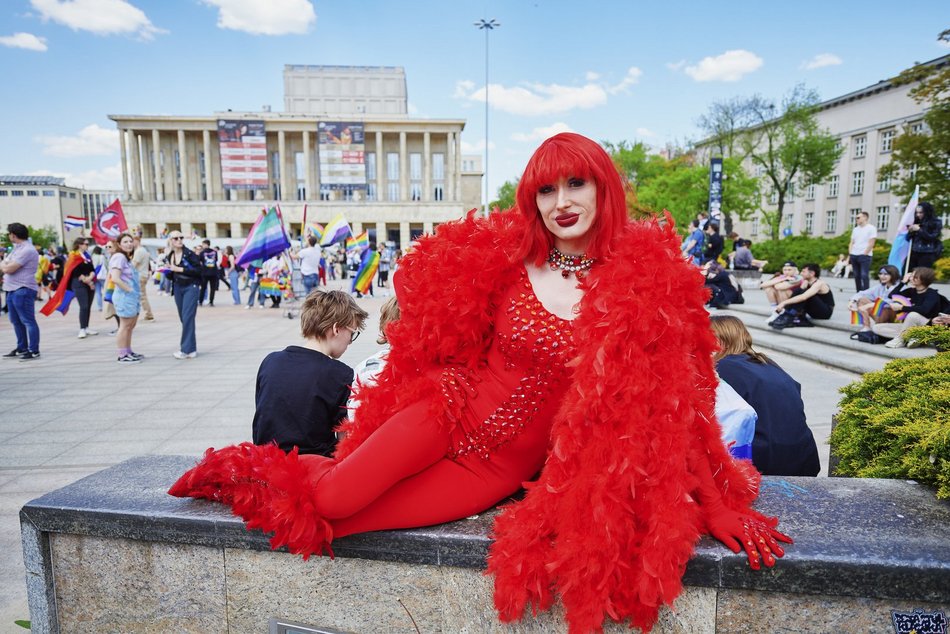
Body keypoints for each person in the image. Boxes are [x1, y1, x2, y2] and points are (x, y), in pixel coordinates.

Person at [169, 132, 790, 633]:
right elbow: (420, 293)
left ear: (605, 189)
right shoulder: (511, 256)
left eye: (577, 183)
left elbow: (683, 407)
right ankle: (249, 468)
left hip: (494, 473)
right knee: (331, 500)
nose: (561, 200)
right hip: (443, 412)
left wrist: (716, 504)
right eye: (545, 188)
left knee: (342, 522)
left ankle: (273, 472)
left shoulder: (648, 285)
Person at [253, 290, 368, 457]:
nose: (350, 341)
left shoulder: (270, 361)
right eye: (352, 333)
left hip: (265, 464)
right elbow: (345, 441)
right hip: (312, 469)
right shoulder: (339, 374)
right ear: (336, 329)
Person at [710, 316, 820, 477]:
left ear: (719, 342)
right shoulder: (766, 362)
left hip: (766, 462)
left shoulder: (722, 368)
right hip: (804, 456)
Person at [874, 267, 945, 348]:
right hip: (911, 326)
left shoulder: (932, 294)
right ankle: (914, 337)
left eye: (914, 276)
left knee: (913, 315)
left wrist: (901, 307)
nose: (910, 278)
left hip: (927, 326)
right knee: (877, 328)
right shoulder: (912, 291)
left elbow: (924, 310)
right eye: (911, 276)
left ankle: (901, 339)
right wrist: (903, 282)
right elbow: (892, 296)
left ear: (923, 279)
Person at [1, 223, 41, 360]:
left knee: (28, 320)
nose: (8, 236)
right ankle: (22, 347)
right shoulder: (16, 249)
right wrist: (5, 263)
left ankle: (33, 349)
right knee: (15, 321)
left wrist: (4, 264)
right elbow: (5, 264)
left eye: (9, 233)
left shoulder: (27, 250)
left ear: (13, 234)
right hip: (11, 289)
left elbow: (7, 268)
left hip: (23, 289)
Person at [164, 231, 202, 359]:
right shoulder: (170, 255)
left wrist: (180, 269)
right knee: (184, 318)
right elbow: (170, 275)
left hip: (191, 286)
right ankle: (191, 348)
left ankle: (186, 349)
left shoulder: (189, 254)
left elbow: (199, 271)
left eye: (181, 237)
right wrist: (167, 270)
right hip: (178, 287)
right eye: (176, 238)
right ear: (170, 240)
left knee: (187, 317)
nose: (179, 240)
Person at [109, 233, 142, 363]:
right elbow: (115, 278)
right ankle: (122, 354)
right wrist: (129, 290)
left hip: (131, 296)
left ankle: (128, 351)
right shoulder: (119, 257)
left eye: (130, 241)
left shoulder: (125, 258)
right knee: (124, 326)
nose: (129, 244)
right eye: (125, 242)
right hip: (124, 296)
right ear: (119, 244)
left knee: (130, 325)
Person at [770, 263, 835, 329]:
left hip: (825, 313)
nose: (801, 273)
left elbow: (804, 297)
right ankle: (788, 315)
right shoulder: (806, 282)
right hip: (814, 310)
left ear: (812, 273)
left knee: (805, 294)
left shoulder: (819, 283)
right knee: (799, 290)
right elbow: (797, 294)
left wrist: (784, 303)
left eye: (803, 271)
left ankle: (790, 316)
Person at [847, 265, 903, 332]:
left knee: (882, 306)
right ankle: (866, 326)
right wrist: (852, 301)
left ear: (893, 275)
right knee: (862, 300)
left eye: (885, 274)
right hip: (881, 313)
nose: (882, 276)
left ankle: (879, 327)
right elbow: (862, 293)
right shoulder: (881, 286)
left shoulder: (900, 286)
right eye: (880, 274)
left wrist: (871, 304)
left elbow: (893, 303)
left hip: (895, 316)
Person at [67, 238, 98, 338]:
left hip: (89, 282)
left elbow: (92, 269)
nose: (87, 246)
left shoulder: (87, 256)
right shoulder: (73, 255)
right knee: (83, 306)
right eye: (85, 244)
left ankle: (86, 327)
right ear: (79, 245)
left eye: (87, 244)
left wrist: (90, 278)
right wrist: (88, 281)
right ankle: (82, 329)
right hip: (79, 283)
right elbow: (75, 272)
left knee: (88, 306)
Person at [906, 201, 944, 271]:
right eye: (917, 212)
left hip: (927, 253)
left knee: (922, 275)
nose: (918, 215)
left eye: (921, 212)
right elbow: (908, 239)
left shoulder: (936, 222)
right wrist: (910, 232)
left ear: (927, 212)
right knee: (907, 273)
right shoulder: (915, 221)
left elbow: (932, 237)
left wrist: (919, 230)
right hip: (914, 252)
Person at [848, 211, 876, 292]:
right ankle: (858, 291)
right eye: (856, 218)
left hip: (865, 255)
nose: (856, 219)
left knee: (864, 275)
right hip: (854, 254)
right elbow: (852, 242)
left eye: (858, 217)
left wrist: (865, 253)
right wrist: (850, 253)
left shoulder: (871, 228)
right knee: (856, 275)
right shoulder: (855, 229)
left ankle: (866, 292)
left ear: (865, 218)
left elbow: (872, 242)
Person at [131, 234, 154, 321]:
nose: (130, 244)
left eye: (131, 241)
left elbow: (133, 265)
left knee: (142, 296)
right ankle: (147, 313)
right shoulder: (143, 250)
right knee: (142, 296)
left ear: (136, 241)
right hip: (143, 275)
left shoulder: (139, 251)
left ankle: (148, 314)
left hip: (140, 276)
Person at [198, 239, 219, 306]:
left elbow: (199, 261)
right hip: (213, 272)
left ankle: (200, 301)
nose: (202, 246)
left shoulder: (202, 252)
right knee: (212, 288)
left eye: (203, 244)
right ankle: (211, 302)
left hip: (205, 272)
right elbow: (216, 260)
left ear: (206, 244)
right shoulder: (214, 252)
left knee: (203, 288)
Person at [90, 245, 107, 311]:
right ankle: (107, 305)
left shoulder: (92, 257)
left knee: (98, 292)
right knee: (105, 290)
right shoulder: (102, 257)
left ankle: (100, 307)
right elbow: (106, 265)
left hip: (95, 275)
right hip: (102, 276)